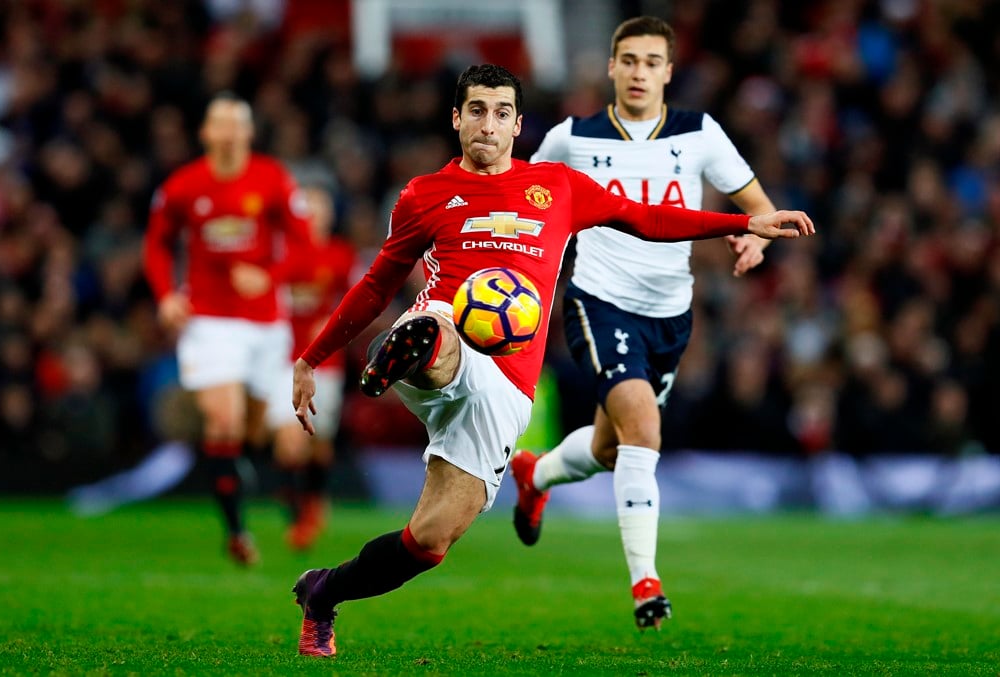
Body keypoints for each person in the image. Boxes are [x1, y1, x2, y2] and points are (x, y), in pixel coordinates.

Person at [289, 63, 813, 658]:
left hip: (507, 384)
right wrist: (312, 358)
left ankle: (322, 593)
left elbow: (648, 219)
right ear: (457, 119)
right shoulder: (423, 194)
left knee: (429, 542)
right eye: (477, 110)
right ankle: (411, 355)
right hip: (444, 330)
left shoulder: (557, 187)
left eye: (502, 112)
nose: (489, 123)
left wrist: (744, 220)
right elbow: (379, 282)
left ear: (517, 126)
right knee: (437, 328)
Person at [510, 16, 784, 630]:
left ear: (667, 70)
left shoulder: (699, 134)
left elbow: (757, 208)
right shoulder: (570, 138)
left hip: (670, 314)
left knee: (613, 447)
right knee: (644, 429)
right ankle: (646, 584)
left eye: (651, 62)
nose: (638, 72)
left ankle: (538, 471)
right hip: (597, 299)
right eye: (628, 60)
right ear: (611, 67)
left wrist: (756, 243)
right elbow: (518, 198)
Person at [143, 93, 313, 565]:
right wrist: (166, 296)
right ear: (206, 134)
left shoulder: (272, 179)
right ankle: (238, 532)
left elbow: (304, 245)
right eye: (219, 124)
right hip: (209, 321)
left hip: (265, 323)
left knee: (255, 430)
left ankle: (235, 467)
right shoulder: (182, 186)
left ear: (248, 132)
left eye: (237, 124)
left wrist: (270, 276)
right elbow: (156, 244)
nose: (228, 132)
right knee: (223, 419)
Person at [266, 184, 357, 550]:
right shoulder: (279, 253)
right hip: (280, 359)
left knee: (318, 444)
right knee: (288, 443)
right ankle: (298, 516)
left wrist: (334, 323)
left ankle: (314, 501)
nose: (312, 217)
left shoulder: (340, 255)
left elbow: (356, 303)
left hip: (324, 363)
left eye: (319, 210)